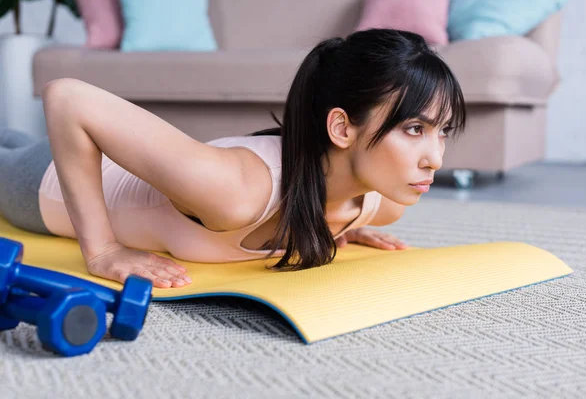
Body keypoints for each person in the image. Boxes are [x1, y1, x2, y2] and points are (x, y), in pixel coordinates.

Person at [0, 29, 466, 289]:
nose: (434, 159)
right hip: (47, 183)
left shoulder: (382, 203)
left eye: (442, 132)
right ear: (342, 128)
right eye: (414, 129)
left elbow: (326, 195)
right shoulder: (239, 193)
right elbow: (66, 98)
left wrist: (340, 221)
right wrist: (102, 251)